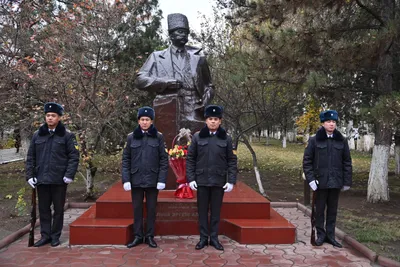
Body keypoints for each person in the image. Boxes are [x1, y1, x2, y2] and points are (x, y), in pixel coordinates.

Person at [136, 13, 214, 129]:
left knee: (196, 143)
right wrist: (164, 83)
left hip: (195, 110)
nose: (184, 35)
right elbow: (140, 80)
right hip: (168, 108)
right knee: (168, 142)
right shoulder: (157, 57)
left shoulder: (198, 58)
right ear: (171, 35)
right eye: (180, 31)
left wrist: (204, 103)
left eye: (186, 32)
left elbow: (209, 86)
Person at [26, 102, 79, 247]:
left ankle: (55, 236)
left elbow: (74, 156)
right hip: (42, 178)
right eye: (48, 115)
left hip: (59, 179)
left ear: (59, 118)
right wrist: (30, 176)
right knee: (43, 209)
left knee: (58, 210)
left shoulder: (67, 135)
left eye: (53, 116)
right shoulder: (38, 135)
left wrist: (69, 175)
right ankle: (45, 235)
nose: (50, 118)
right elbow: (31, 157)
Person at [186, 105, 237, 251]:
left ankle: (214, 238)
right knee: (202, 211)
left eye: (215, 119)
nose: (213, 122)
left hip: (218, 181)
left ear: (220, 121)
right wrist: (191, 179)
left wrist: (231, 181)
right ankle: (203, 238)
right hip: (201, 181)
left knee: (215, 212)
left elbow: (231, 160)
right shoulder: (197, 137)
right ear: (205, 121)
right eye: (210, 119)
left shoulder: (226, 138)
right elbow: (190, 159)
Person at [303, 110, 352, 248]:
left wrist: (346, 181)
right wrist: (311, 180)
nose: (331, 124)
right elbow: (307, 161)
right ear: (323, 123)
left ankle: (330, 235)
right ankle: (321, 235)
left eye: (334, 122)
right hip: (320, 182)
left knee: (332, 210)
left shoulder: (341, 140)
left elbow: (347, 161)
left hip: (335, 181)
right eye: (329, 122)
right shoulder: (314, 140)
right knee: (319, 210)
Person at [121, 106, 168, 248]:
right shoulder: (131, 137)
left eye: (147, 120)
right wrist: (126, 179)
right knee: (137, 209)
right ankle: (137, 236)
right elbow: (126, 159)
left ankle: (149, 236)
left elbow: (163, 160)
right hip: (136, 179)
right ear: (138, 121)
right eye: (142, 119)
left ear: (152, 121)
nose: (145, 122)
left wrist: (161, 179)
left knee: (152, 209)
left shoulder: (158, 137)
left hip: (153, 180)